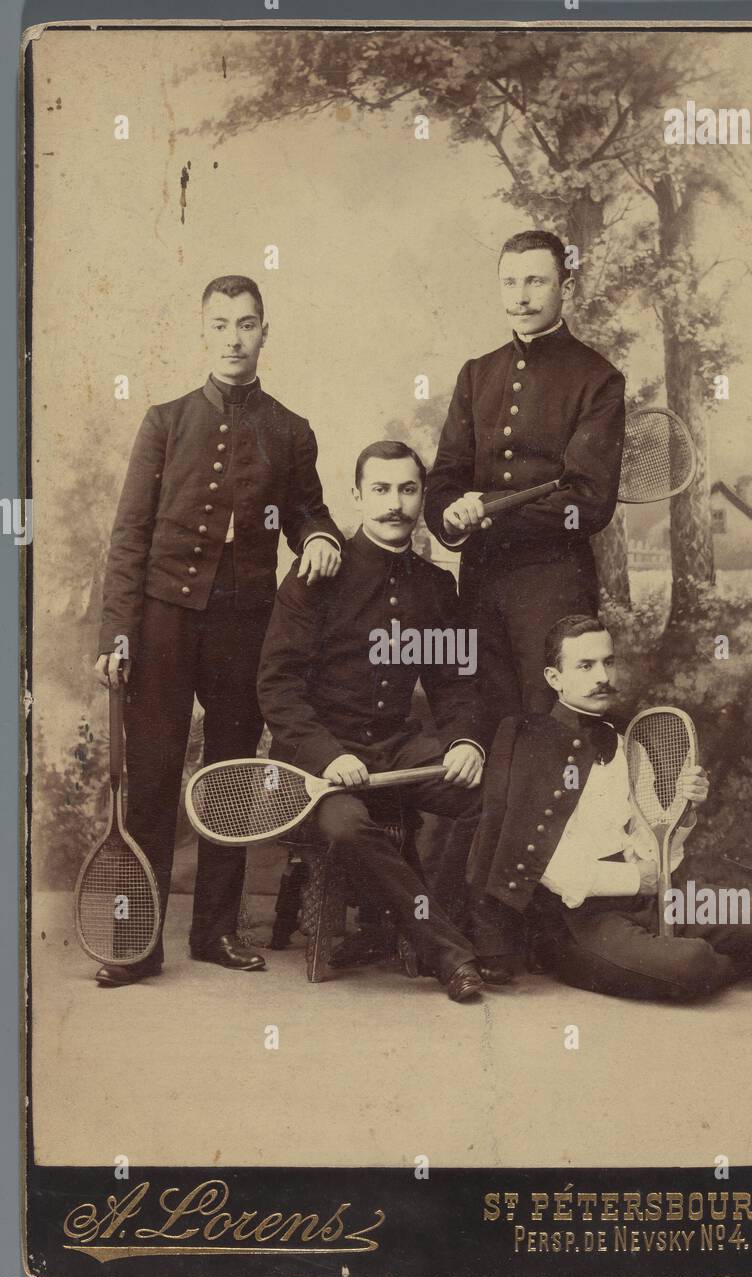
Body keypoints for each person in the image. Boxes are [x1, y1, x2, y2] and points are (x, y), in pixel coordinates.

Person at [94, 274, 343, 986]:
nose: (234, 338)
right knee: (151, 780)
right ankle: (134, 939)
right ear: (203, 333)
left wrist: (321, 537)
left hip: (245, 628)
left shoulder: (290, 430)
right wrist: (119, 634)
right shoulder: (165, 422)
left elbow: (308, 511)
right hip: (164, 620)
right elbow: (129, 536)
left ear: (266, 331)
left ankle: (215, 933)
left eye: (247, 324)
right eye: (221, 324)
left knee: (233, 782)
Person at [257, 440, 488, 1002]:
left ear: (422, 496)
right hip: (316, 758)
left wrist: (465, 742)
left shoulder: (436, 587)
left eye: (408, 490)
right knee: (345, 827)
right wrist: (329, 756)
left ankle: (449, 928)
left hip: (395, 748)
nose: (395, 504)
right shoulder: (318, 573)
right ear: (357, 496)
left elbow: (455, 684)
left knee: (491, 795)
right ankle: (450, 954)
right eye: (381, 490)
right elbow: (277, 686)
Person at [465, 614, 752, 997]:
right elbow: (545, 865)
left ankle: (722, 959)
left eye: (608, 662)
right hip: (578, 919)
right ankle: (749, 963)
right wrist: (634, 879)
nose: (602, 676)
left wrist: (684, 810)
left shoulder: (629, 741)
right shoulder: (527, 743)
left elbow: (654, 844)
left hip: (647, 898)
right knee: (690, 964)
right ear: (554, 678)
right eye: (586, 665)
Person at [424, 229, 626, 743]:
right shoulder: (476, 375)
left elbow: (589, 501)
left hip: (554, 586)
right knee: (490, 728)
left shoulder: (597, 379)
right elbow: (445, 478)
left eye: (536, 280)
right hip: (480, 583)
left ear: (567, 289)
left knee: (552, 729)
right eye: (509, 282)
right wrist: (449, 514)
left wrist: (488, 510)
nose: (521, 295)